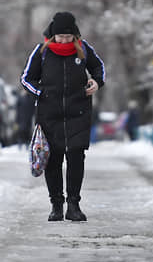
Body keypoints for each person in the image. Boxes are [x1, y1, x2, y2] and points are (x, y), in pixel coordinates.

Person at [20, 11, 106, 222]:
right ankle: (56, 205)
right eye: (60, 37)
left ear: (74, 35)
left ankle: (74, 205)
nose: (64, 40)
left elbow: (99, 68)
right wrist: (41, 93)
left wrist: (96, 82)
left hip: (79, 112)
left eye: (68, 37)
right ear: (53, 35)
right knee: (54, 159)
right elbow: (26, 79)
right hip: (50, 115)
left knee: (76, 158)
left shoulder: (83, 49)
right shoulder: (41, 52)